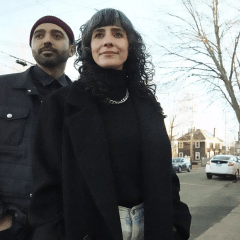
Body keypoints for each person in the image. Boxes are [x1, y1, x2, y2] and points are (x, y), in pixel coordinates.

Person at [29, 9, 191, 240]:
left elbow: (166, 173)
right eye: (99, 35)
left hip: (152, 227)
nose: (108, 42)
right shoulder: (61, 103)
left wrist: (177, 225)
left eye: (117, 34)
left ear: (130, 45)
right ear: (88, 47)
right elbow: (46, 182)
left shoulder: (146, 103)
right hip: (89, 230)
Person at [0, 16, 75, 240]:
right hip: (8, 226)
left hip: (60, 226)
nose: (46, 40)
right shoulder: (2, 90)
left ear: (72, 50)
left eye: (56, 35)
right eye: (39, 35)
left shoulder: (80, 101)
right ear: (32, 46)